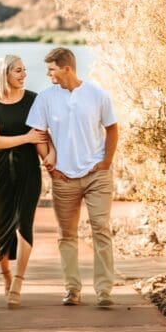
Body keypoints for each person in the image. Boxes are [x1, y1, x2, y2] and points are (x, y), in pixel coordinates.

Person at [26, 47, 119, 308]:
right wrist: (51, 168)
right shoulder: (45, 98)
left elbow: (112, 128)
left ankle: (104, 291)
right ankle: (72, 289)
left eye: (52, 69)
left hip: (96, 176)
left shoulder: (97, 95)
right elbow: (38, 134)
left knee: (101, 229)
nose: (48, 74)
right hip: (63, 178)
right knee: (66, 234)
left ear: (67, 68)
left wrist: (105, 163)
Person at [0, 55, 49, 309]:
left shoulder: (34, 100)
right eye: (18, 71)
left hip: (29, 171)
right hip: (1, 174)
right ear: (5, 74)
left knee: (24, 225)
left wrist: (51, 162)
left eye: (24, 70)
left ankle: (18, 282)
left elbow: (40, 136)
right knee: (2, 230)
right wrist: (27, 137)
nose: (24, 74)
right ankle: (6, 277)